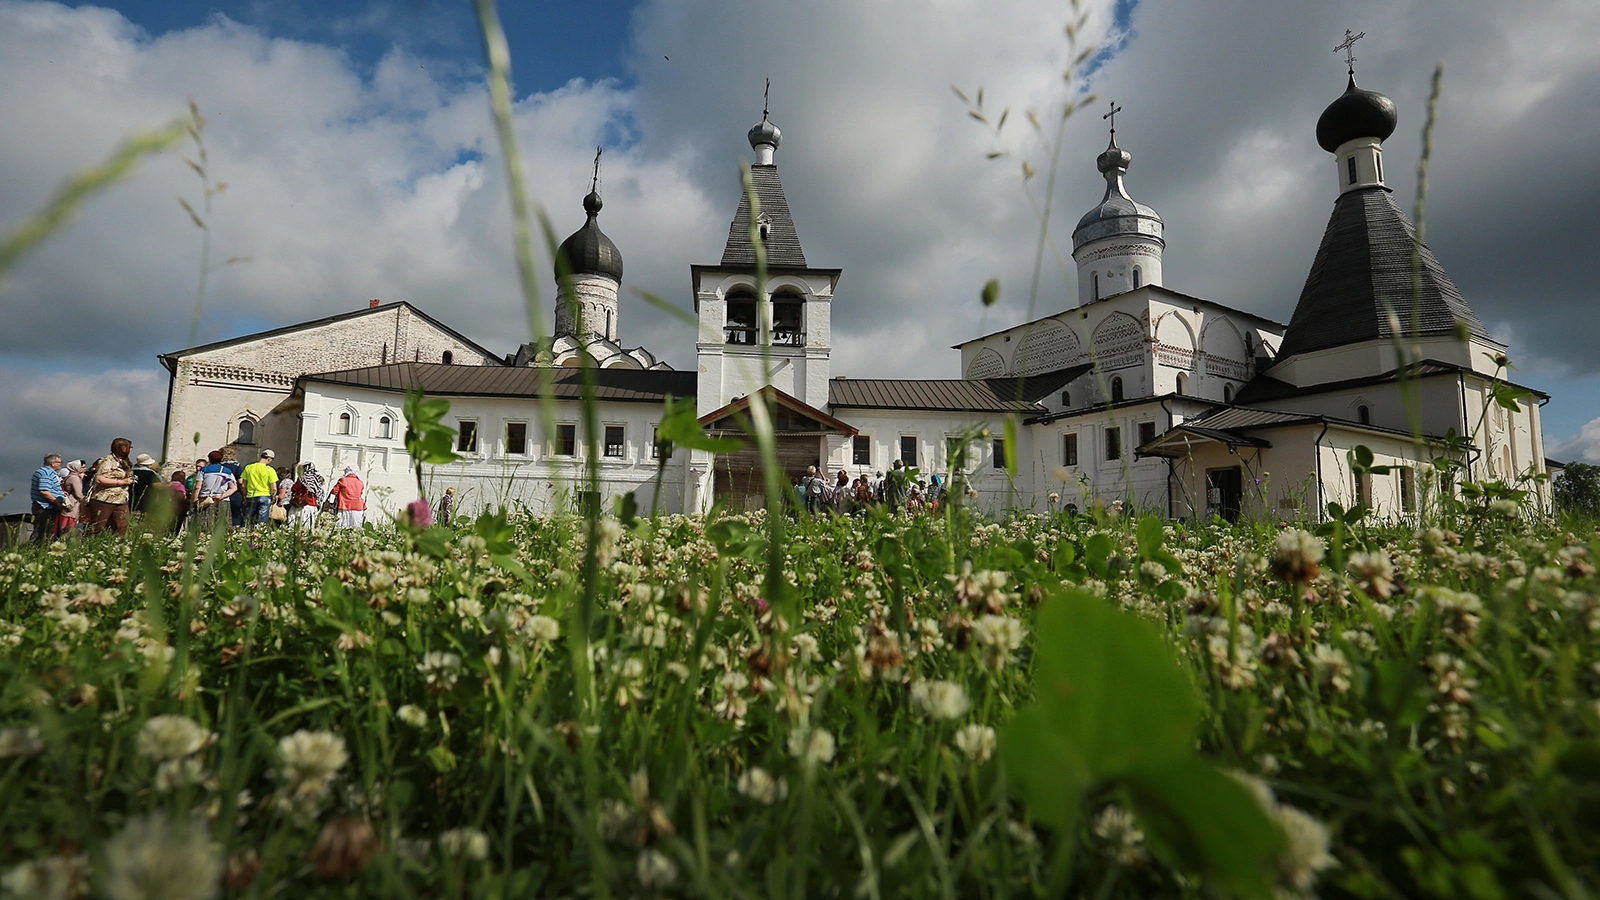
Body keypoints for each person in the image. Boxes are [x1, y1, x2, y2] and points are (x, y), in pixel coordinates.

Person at [86, 438, 135, 536]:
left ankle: (119, 547)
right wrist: (121, 482)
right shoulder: (108, 461)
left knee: (123, 526)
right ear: (123, 448)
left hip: (121, 499)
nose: (131, 450)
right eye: (130, 447)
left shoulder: (123, 462)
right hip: (104, 499)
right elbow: (99, 479)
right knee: (97, 527)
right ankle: (86, 546)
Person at [193, 450, 239, 531]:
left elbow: (198, 487)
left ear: (209, 459)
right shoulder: (227, 471)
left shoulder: (204, 470)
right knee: (222, 526)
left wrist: (195, 499)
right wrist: (221, 496)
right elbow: (234, 488)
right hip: (223, 500)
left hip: (206, 499)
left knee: (205, 526)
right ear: (221, 459)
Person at [29, 454, 66, 544]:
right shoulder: (47, 473)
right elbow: (44, 491)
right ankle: (34, 550)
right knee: (41, 532)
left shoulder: (43, 472)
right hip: (44, 507)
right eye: (59, 462)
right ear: (53, 463)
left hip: (44, 506)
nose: (61, 464)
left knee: (43, 531)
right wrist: (58, 503)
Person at [241, 449, 278, 527]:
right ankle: (260, 535)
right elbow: (274, 488)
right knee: (262, 522)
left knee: (247, 519)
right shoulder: (270, 470)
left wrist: (244, 496)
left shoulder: (249, 467)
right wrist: (273, 497)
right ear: (269, 459)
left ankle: (243, 534)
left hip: (251, 496)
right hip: (265, 496)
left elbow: (243, 484)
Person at [290, 462, 325, 528]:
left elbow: (294, 489)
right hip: (313, 506)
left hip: (303, 505)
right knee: (309, 526)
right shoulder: (316, 479)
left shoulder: (302, 478)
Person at [57, 460, 86, 536]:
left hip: (69, 501)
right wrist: (85, 500)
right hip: (73, 503)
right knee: (68, 526)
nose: (84, 469)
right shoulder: (75, 478)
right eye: (82, 467)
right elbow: (78, 494)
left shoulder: (69, 476)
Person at [220, 447, 246, 528]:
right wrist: (244, 494)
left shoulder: (220, 465)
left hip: (222, 492)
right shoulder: (236, 465)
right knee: (236, 515)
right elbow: (240, 482)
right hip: (235, 493)